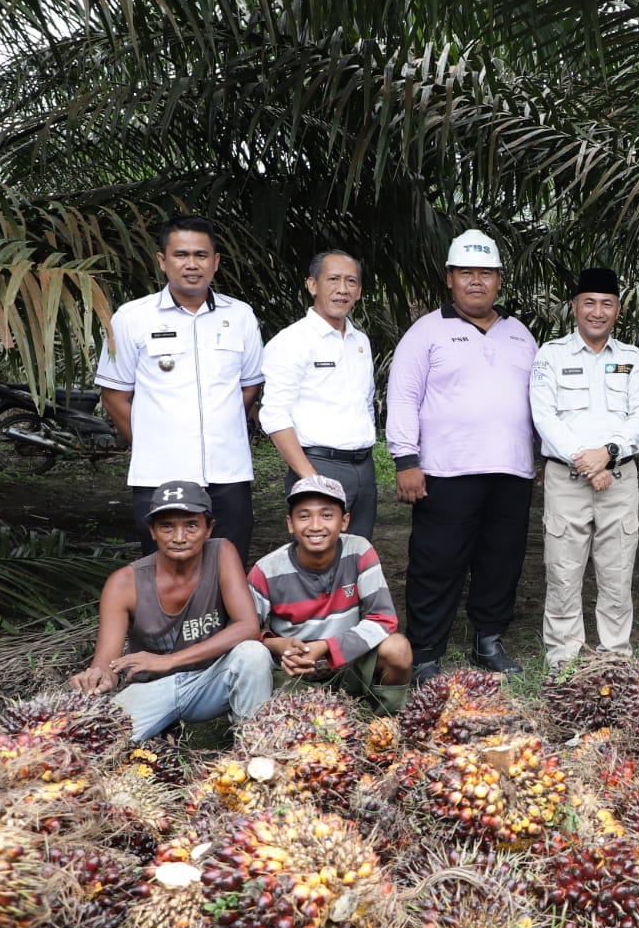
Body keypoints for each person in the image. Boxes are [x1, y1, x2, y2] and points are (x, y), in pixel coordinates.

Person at [386, 228, 537, 681]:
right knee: (438, 560)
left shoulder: (519, 335)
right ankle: (427, 650)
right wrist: (404, 461)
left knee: (502, 558)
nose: (477, 281)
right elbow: (403, 396)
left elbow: (541, 400)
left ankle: (488, 640)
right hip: (445, 470)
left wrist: (545, 457)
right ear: (449, 277)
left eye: (486, 273)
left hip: (511, 470)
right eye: (467, 272)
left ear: (499, 280)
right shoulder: (426, 332)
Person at [97, 216, 265, 563]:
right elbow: (114, 396)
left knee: (228, 568)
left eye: (202, 255)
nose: (192, 264)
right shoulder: (131, 318)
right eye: (181, 255)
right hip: (160, 476)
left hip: (228, 475)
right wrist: (152, 444)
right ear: (162, 260)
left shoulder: (241, 316)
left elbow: (248, 388)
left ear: (215, 262)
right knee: (168, 573)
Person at [70, 481, 272, 741]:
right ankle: (160, 733)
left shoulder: (221, 553)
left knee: (253, 653)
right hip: (151, 688)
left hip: (209, 681)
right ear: (152, 531)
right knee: (97, 742)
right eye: (167, 526)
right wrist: (99, 675)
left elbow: (248, 626)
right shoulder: (124, 583)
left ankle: (254, 749)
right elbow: (106, 660)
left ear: (208, 528)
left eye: (191, 525)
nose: (179, 537)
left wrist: (169, 660)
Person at [529, 268, 639, 667]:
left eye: (606, 303)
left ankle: (615, 658)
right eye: (589, 303)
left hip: (618, 479)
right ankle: (563, 661)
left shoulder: (631, 358)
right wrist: (588, 462)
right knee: (563, 574)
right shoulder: (551, 355)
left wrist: (609, 453)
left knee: (617, 574)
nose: (597, 312)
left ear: (618, 309)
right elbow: (543, 415)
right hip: (567, 480)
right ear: (574, 307)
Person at [247, 475, 414, 715]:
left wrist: (325, 647)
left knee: (397, 648)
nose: (315, 526)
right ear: (290, 523)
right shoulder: (267, 570)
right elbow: (245, 634)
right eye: (304, 516)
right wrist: (279, 644)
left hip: (348, 664)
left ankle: (386, 721)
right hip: (293, 674)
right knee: (298, 731)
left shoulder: (359, 551)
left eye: (327, 515)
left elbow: (383, 619)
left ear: (344, 521)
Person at [259, 251, 380, 537]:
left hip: (364, 466)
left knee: (356, 554)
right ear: (312, 285)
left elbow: (365, 402)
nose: (343, 289)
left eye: (351, 281)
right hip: (319, 464)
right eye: (333, 279)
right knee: (317, 558)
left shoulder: (359, 341)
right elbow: (274, 414)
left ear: (359, 291)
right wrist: (310, 477)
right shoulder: (292, 341)